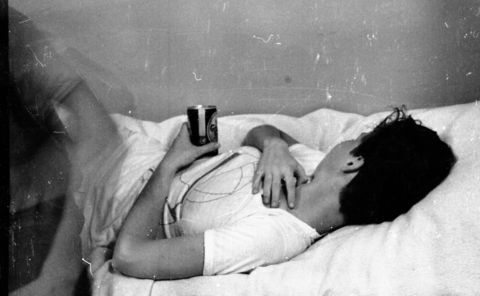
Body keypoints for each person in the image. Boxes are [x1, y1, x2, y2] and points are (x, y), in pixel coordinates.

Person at [112, 108, 456, 281]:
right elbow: (262, 131)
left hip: (113, 194)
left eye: (356, 139)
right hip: (137, 153)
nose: (346, 141)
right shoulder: (312, 164)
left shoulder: (271, 235)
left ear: (354, 161)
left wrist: (171, 162)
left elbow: (129, 257)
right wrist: (274, 145)